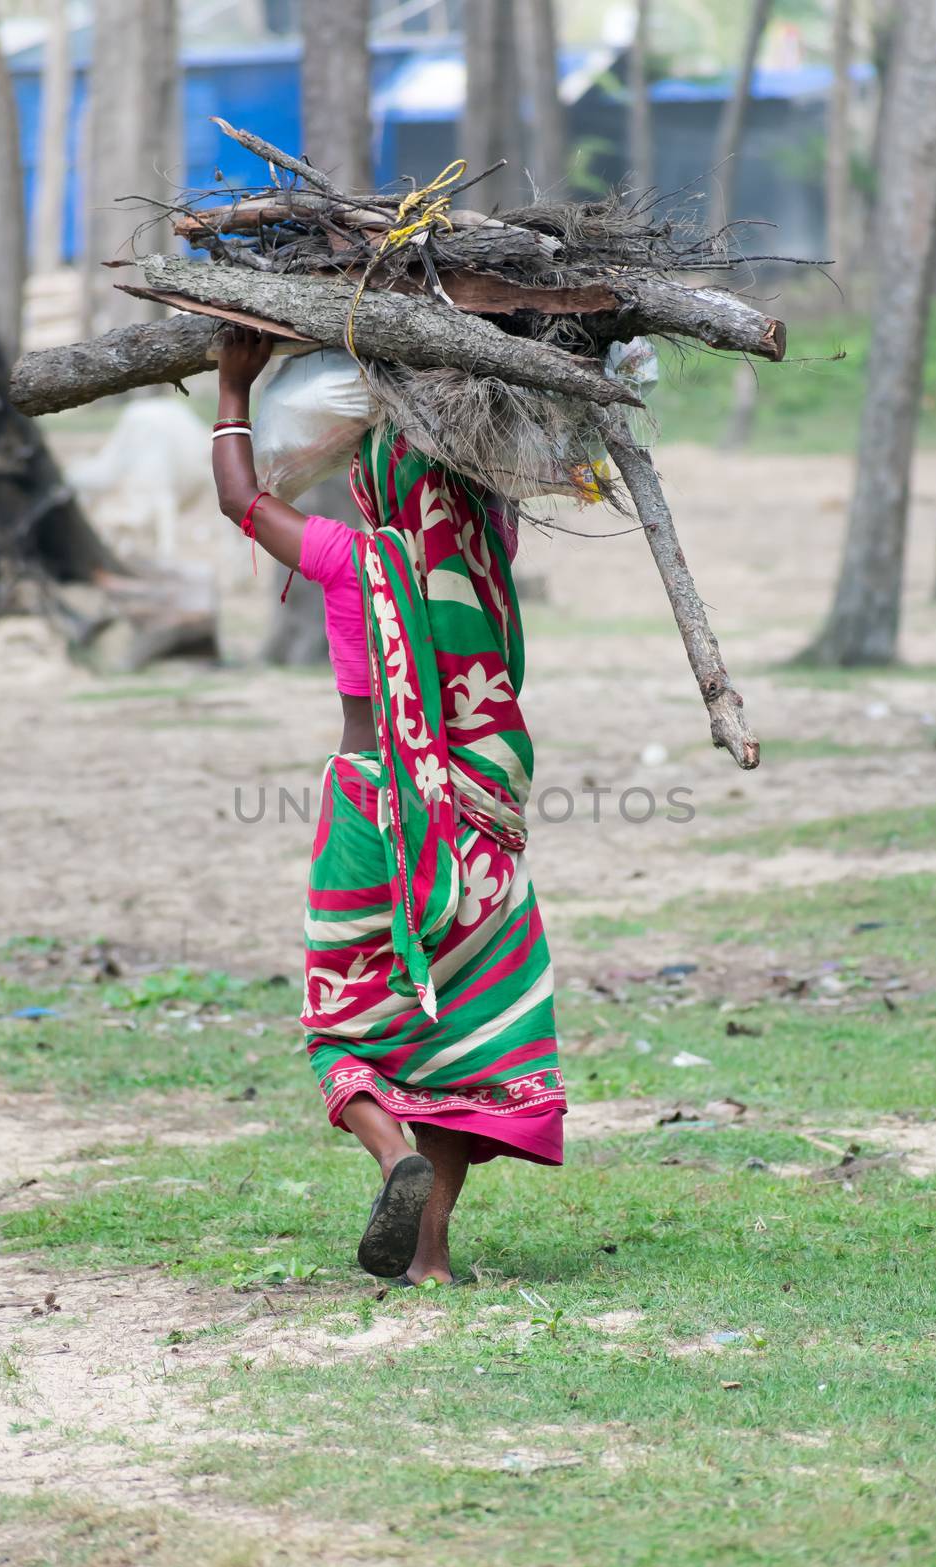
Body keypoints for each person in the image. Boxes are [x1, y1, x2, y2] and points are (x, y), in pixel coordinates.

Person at [212, 326, 567, 1286]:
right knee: (458, 1035)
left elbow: (241, 499)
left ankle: (390, 1155)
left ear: (372, 481)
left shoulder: (340, 555)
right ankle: (432, 1259)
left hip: (372, 812)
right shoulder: (487, 553)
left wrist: (235, 386)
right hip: (475, 818)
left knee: (342, 1023)